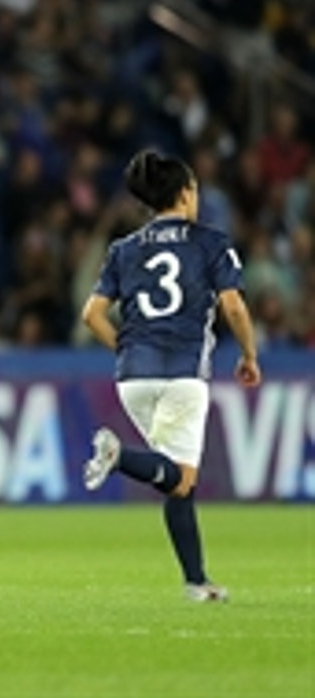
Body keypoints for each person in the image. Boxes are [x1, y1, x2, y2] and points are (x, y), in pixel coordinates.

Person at [80, 149, 261, 603]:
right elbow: (234, 305)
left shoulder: (124, 249)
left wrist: (125, 347)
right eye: (195, 189)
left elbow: (92, 315)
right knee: (179, 478)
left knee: (177, 480)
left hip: (133, 378)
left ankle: (196, 582)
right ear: (183, 193)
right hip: (183, 374)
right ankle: (117, 456)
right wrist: (249, 355)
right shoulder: (210, 242)